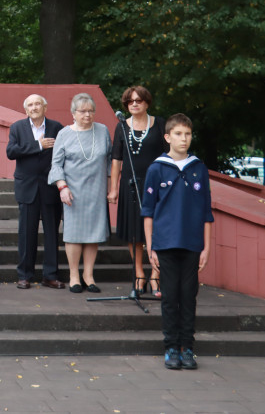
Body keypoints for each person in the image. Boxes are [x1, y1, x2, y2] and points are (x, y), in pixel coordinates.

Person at [142, 114, 214, 370]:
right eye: (178, 134)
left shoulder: (198, 168)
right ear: (167, 137)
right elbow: (148, 212)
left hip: (193, 244)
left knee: (189, 296)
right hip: (165, 244)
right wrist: (150, 246)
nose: (184, 139)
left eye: (188, 134)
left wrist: (206, 247)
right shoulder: (156, 168)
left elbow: (207, 212)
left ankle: (188, 348)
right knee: (170, 296)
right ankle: (171, 347)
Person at [48, 92, 111, 294]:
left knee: (94, 233)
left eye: (91, 111)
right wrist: (62, 187)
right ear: (73, 113)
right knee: (74, 234)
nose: (87, 115)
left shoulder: (102, 131)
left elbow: (110, 160)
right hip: (72, 190)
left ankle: (88, 275)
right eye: (83, 111)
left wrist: (112, 185)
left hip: (97, 189)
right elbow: (56, 164)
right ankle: (74, 275)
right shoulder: (64, 133)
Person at [108, 86, 168, 296]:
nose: (134, 104)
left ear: (147, 103)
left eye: (139, 100)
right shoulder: (121, 127)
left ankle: (155, 275)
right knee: (134, 233)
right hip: (130, 186)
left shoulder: (159, 123)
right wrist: (113, 189)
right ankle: (139, 273)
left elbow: (170, 155)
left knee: (157, 232)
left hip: (157, 186)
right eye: (130, 101)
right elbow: (116, 160)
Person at [6, 94, 65, 289]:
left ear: (45, 107)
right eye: (30, 105)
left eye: (37, 104)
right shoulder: (17, 127)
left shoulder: (57, 127)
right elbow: (11, 152)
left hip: (50, 186)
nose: (34, 107)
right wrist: (38, 145)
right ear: (26, 110)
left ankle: (50, 275)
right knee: (26, 233)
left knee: (51, 233)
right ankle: (25, 275)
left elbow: (63, 153)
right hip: (27, 187)